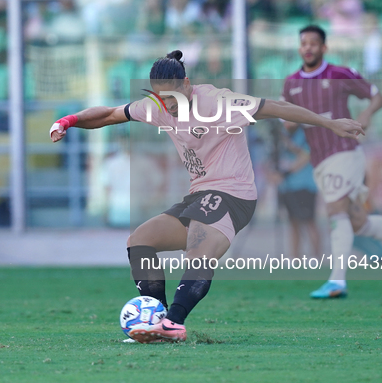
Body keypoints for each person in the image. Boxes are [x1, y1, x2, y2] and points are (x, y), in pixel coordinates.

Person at [50, 50, 364, 343]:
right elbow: (107, 115)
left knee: (199, 250)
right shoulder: (157, 106)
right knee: (140, 241)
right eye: (161, 96)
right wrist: (68, 121)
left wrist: (329, 123)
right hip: (198, 195)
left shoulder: (218, 102)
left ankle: (173, 322)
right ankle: (157, 319)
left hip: (234, 194)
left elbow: (276, 107)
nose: (168, 104)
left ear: (186, 84)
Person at [281, 25, 382, 299]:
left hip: (345, 151)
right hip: (320, 160)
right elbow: (287, 120)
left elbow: (378, 96)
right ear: (299, 48)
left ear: (324, 48)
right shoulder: (291, 83)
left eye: (314, 43)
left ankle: (337, 281)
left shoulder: (339, 74)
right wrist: (287, 124)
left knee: (335, 211)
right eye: (304, 43)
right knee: (358, 222)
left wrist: (369, 112)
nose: (308, 47)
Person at [272, 123, 321, 259]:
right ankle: (295, 259)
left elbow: (306, 155)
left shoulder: (306, 133)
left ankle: (317, 259)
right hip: (287, 186)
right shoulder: (282, 133)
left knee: (309, 221)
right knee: (293, 223)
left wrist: (287, 143)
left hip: (305, 184)